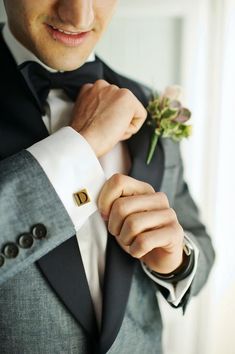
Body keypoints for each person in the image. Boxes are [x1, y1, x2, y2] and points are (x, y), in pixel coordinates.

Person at [0, 1, 215, 353]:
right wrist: (81, 146)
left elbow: (199, 238)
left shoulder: (150, 103)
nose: (80, 16)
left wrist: (176, 260)